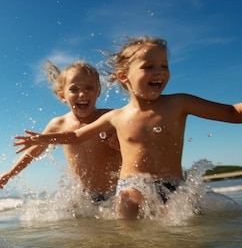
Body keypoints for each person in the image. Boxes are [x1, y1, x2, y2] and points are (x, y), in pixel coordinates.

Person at [14, 36, 242, 219]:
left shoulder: (178, 103)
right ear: (124, 76)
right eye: (149, 66)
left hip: (175, 185)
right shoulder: (117, 116)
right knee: (129, 203)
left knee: (188, 227)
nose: (159, 71)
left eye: (164, 65)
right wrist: (42, 139)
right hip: (132, 185)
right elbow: (75, 136)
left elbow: (232, 113)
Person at [0, 61, 121, 203]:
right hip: (85, 197)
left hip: (116, 192)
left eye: (89, 88)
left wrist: (121, 141)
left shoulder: (108, 118)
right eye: (74, 89)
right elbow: (36, 150)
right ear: (62, 96)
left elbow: (138, 140)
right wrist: (11, 172)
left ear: (98, 91)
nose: (82, 94)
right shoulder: (58, 124)